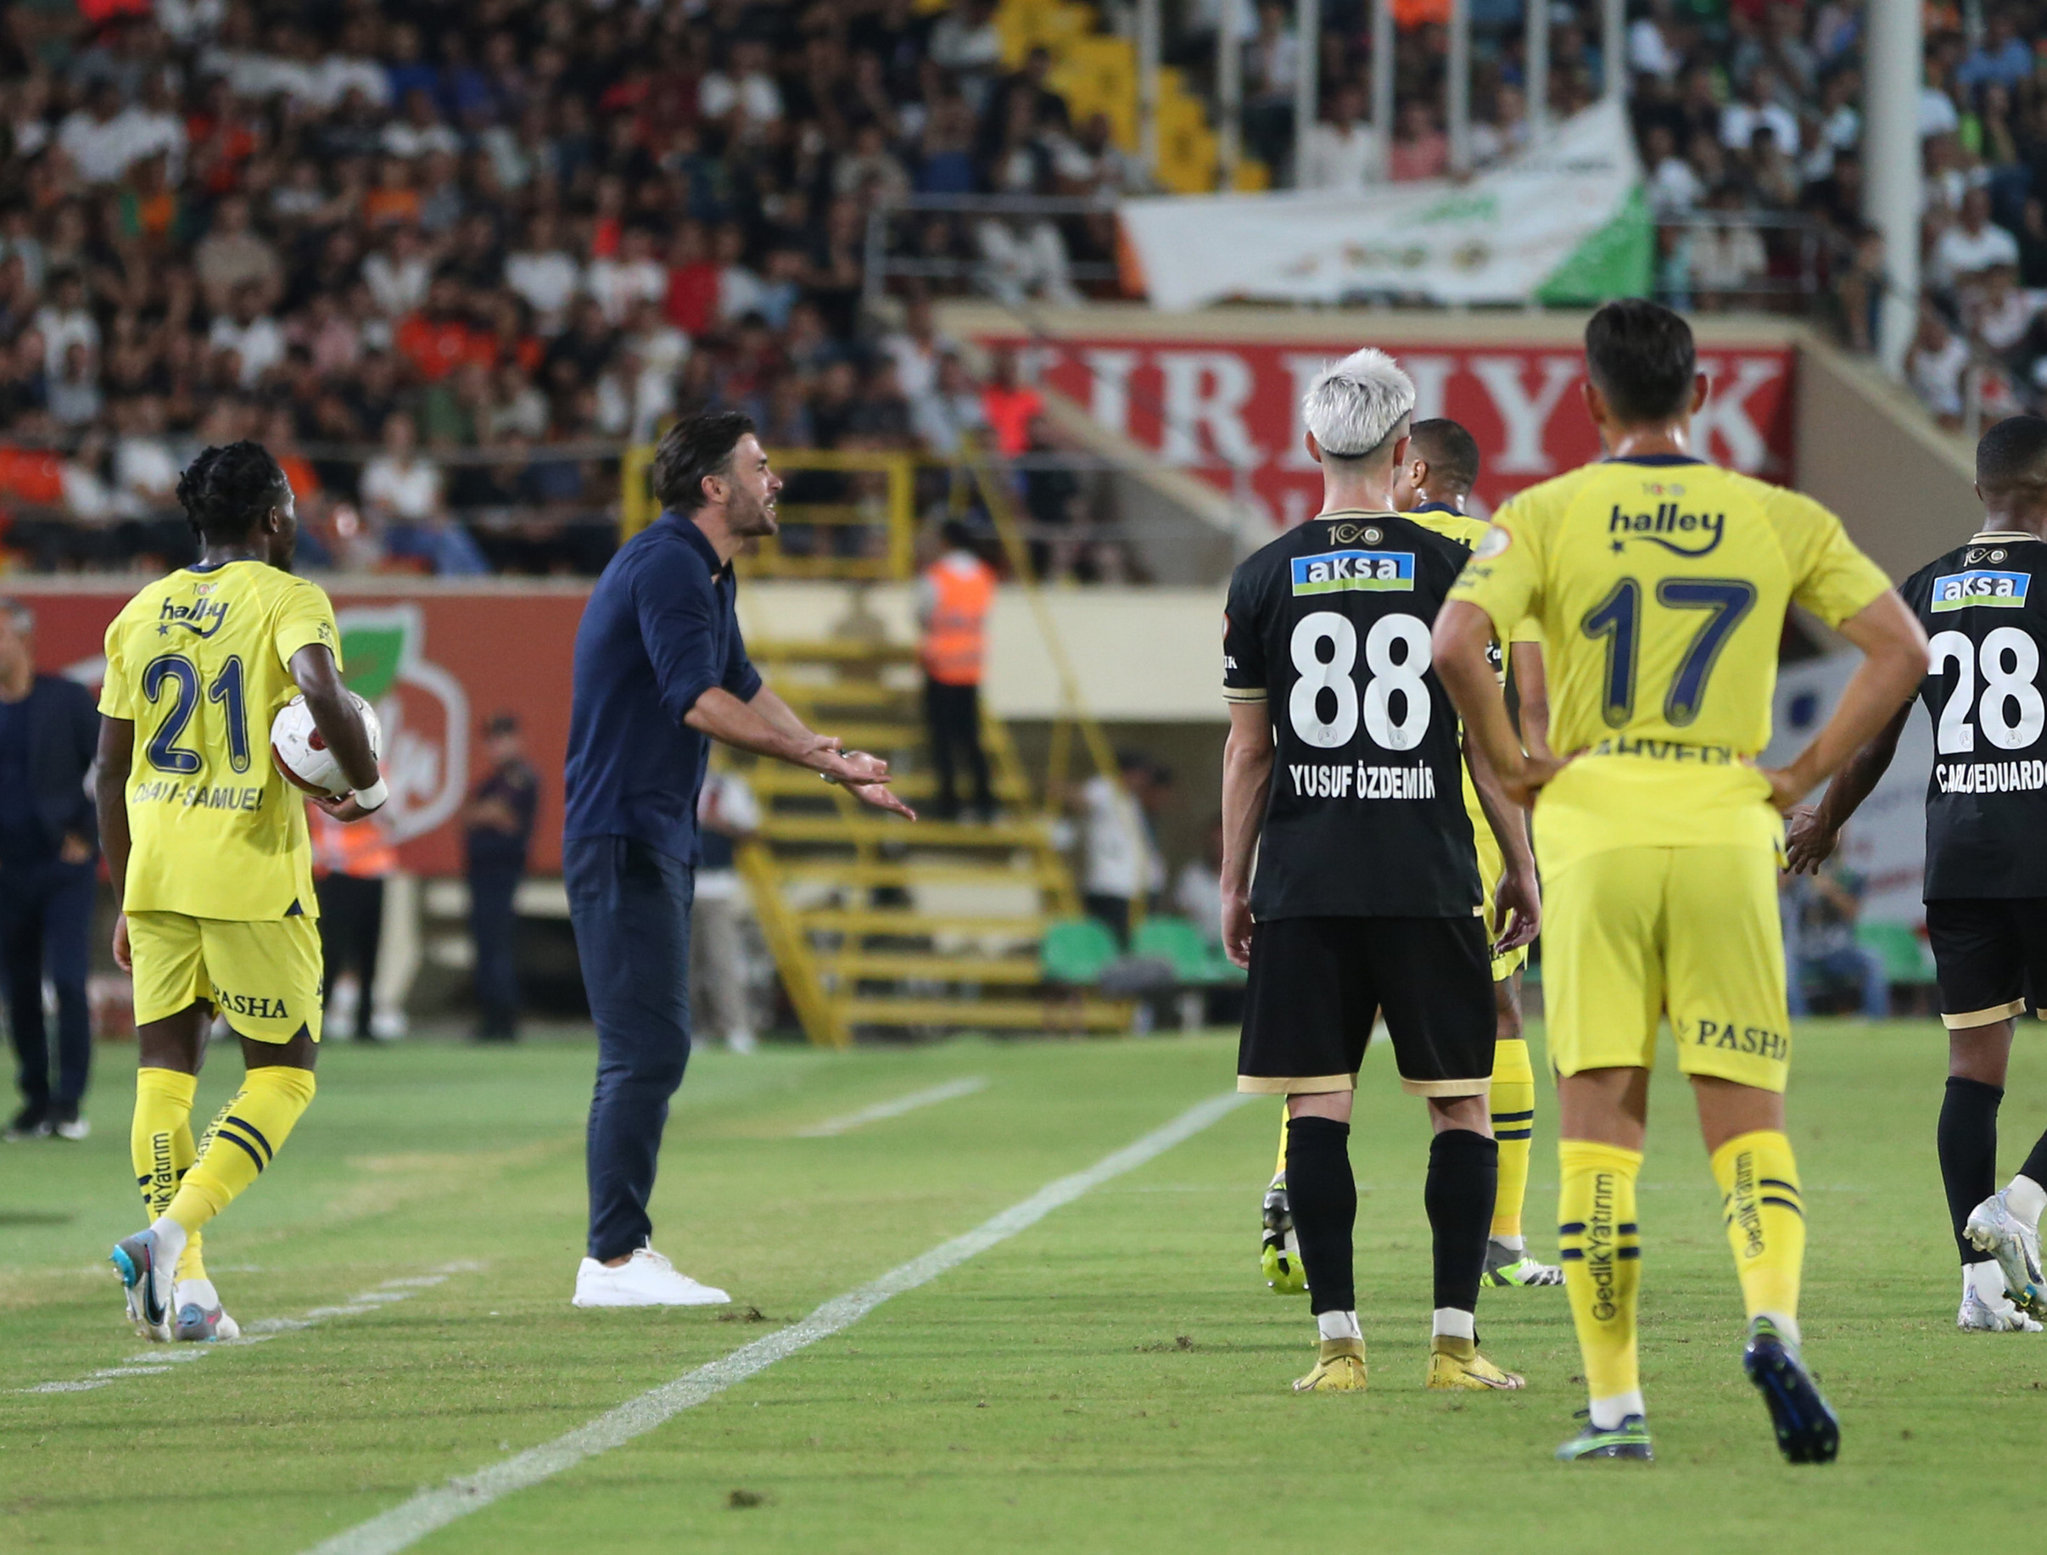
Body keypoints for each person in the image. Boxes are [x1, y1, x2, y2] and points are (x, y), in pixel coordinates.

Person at [1434, 299, 1927, 1463]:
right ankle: (1772, 1322)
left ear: (1590, 401)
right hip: (1723, 826)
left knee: (1600, 1130)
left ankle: (1616, 1409)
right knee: (1746, 1118)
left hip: (1596, 825)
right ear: (1699, 396)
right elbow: (1901, 649)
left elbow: (1453, 643)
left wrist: (1510, 762)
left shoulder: (1541, 515)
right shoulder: (1775, 514)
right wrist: (1800, 772)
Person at [1220, 348, 1538, 1396]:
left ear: (1311, 442)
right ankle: (1453, 1345)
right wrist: (1521, 864)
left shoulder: (1261, 575)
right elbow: (1484, 743)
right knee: (1460, 1106)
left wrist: (1231, 881)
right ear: (1404, 451)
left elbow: (1248, 751)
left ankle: (1337, 1347)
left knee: (1318, 1105)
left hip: (1304, 879)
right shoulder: (1455, 572)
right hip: (1426, 873)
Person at [563, 410, 913, 1309]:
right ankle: (612, 1259)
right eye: (760, 466)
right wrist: (807, 757)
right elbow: (697, 699)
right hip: (621, 828)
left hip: (649, 830)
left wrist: (835, 762)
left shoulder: (705, 569)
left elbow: (742, 682)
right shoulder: (669, 563)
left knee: (651, 1046)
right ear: (714, 486)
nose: (776, 479)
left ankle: (618, 1252)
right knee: (644, 1048)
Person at [1256, 417, 1563, 1297]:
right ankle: (1500, 1238)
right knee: (1496, 1021)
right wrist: (1530, 836)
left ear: (1414, 469)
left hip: (1352, 812)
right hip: (1468, 813)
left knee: (1329, 1034)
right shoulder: (1503, 554)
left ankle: (1288, 1178)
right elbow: (1528, 707)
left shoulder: (1351, 550)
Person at [98, 440, 385, 1343]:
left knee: (164, 1073)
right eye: (290, 503)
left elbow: (108, 774)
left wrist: (125, 892)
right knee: (283, 1075)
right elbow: (320, 688)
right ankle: (168, 1238)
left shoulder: (139, 611)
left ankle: (188, 1289)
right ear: (271, 517)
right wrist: (368, 787)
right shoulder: (288, 597)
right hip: (249, 872)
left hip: (157, 872)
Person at [1786, 414, 2047, 1334]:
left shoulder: (1924, 588)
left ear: (1980, 490)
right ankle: (2018, 1207)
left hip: (1958, 853)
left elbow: (1875, 733)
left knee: (1971, 1070)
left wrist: (1824, 818)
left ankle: (1980, 1289)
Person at [0, 600, 99, 1142]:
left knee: (67, 980)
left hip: (62, 869)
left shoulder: (65, 700)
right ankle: (35, 1098)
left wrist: (86, 834)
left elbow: (110, 767)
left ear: (24, 641)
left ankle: (69, 1102)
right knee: (17, 990)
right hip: (7, 872)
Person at [462, 710, 539, 1043]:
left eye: (502, 738)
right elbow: (470, 815)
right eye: (492, 740)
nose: (496, 746)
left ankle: (503, 1018)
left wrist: (487, 813)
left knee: (496, 945)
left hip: (502, 871)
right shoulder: (491, 782)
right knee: (485, 944)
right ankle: (490, 1016)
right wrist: (486, 814)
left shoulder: (521, 777)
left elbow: (502, 816)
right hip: (480, 871)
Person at [916, 520, 997, 824]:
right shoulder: (984, 574)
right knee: (971, 738)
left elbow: (921, 614)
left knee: (943, 740)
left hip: (940, 667)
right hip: (971, 667)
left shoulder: (936, 576)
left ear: (945, 542)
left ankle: (949, 804)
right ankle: (985, 801)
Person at [310, 804, 398, 1042]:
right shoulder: (327, 782)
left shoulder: (383, 781)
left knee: (369, 951)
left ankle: (365, 1021)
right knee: (331, 951)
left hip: (373, 869)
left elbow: (392, 818)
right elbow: (330, 816)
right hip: (338, 868)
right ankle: (317, 1018)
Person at [693, 767, 761, 1054]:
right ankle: (693, 1030)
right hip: (682, 884)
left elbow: (753, 832)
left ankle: (735, 1027)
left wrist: (720, 824)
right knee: (685, 966)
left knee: (722, 961)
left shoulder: (731, 787)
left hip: (718, 886)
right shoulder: (681, 781)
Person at [1781, 854, 1888, 1018]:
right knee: (1785, 962)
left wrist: (1830, 891)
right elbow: (1776, 886)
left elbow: (1852, 913)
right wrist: (1799, 869)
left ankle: (1876, 1019)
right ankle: (1799, 1021)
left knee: (1873, 961)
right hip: (1802, 952)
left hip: (1837, 952)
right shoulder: (1797, 876)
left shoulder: (1846, 874)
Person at [1074, 751, 1162, 946]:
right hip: (1109, 885)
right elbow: (1080, 799)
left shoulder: (1130, 798)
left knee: (1134, 941)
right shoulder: (1104, 788)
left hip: (1132, 886)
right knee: (1112, 942)